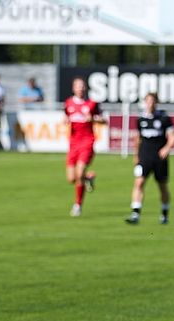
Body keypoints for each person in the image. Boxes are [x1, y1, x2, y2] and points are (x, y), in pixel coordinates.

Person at [126, 93, 174, 225]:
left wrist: (167, 148)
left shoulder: (164, 118)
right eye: (148, 101)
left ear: (156, 102)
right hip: (144, 156)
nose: (150, 104)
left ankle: (164, 214)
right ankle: (135, 214)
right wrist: (136, 155)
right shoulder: (140, 119)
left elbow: (173, 136)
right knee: (139, 182)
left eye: (152, 101)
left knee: (162, 186)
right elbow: (137, 138)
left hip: (159, 158)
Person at [64, 77, 105, 217]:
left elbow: (104, 120)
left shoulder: (92, 104)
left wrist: (93, 119)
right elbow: (66, 117)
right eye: (78, 86)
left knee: (79, 172)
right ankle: (88, 178)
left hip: (87, 142)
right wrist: (65, 120)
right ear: (73, 88)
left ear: (85, 88)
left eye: (82, 86)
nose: (80, 88)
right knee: (71, 178)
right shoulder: (68, 103)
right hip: (73, 144)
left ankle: (78, 205)